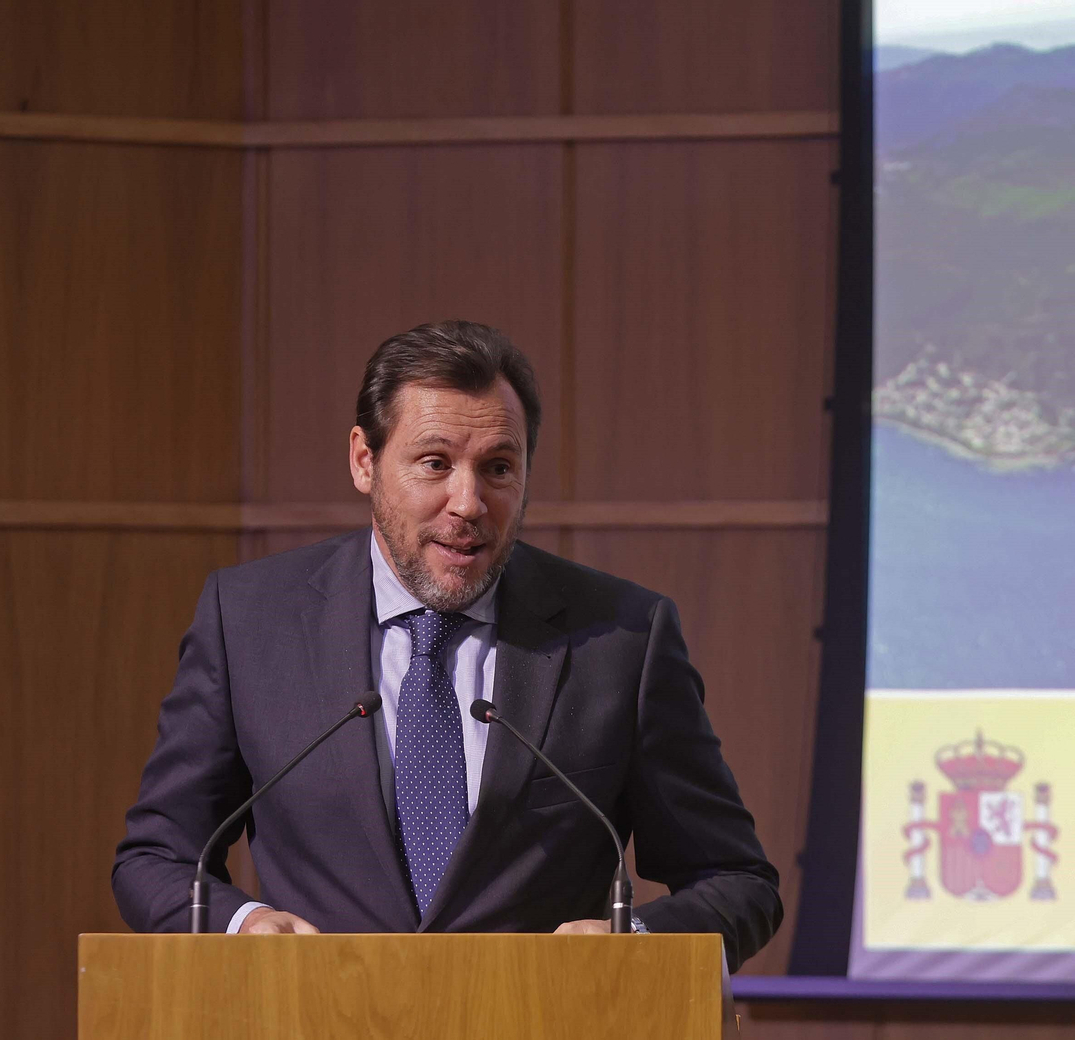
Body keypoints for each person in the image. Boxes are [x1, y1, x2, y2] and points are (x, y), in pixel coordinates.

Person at [112, 320, 781, 969]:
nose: (469, 501)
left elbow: (738, 882)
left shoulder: (621, 640)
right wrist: (244, 925)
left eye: (497, 467)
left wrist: (632, 939)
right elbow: (157, 859)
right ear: (364, 460)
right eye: (435, 463)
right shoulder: (252, 621)